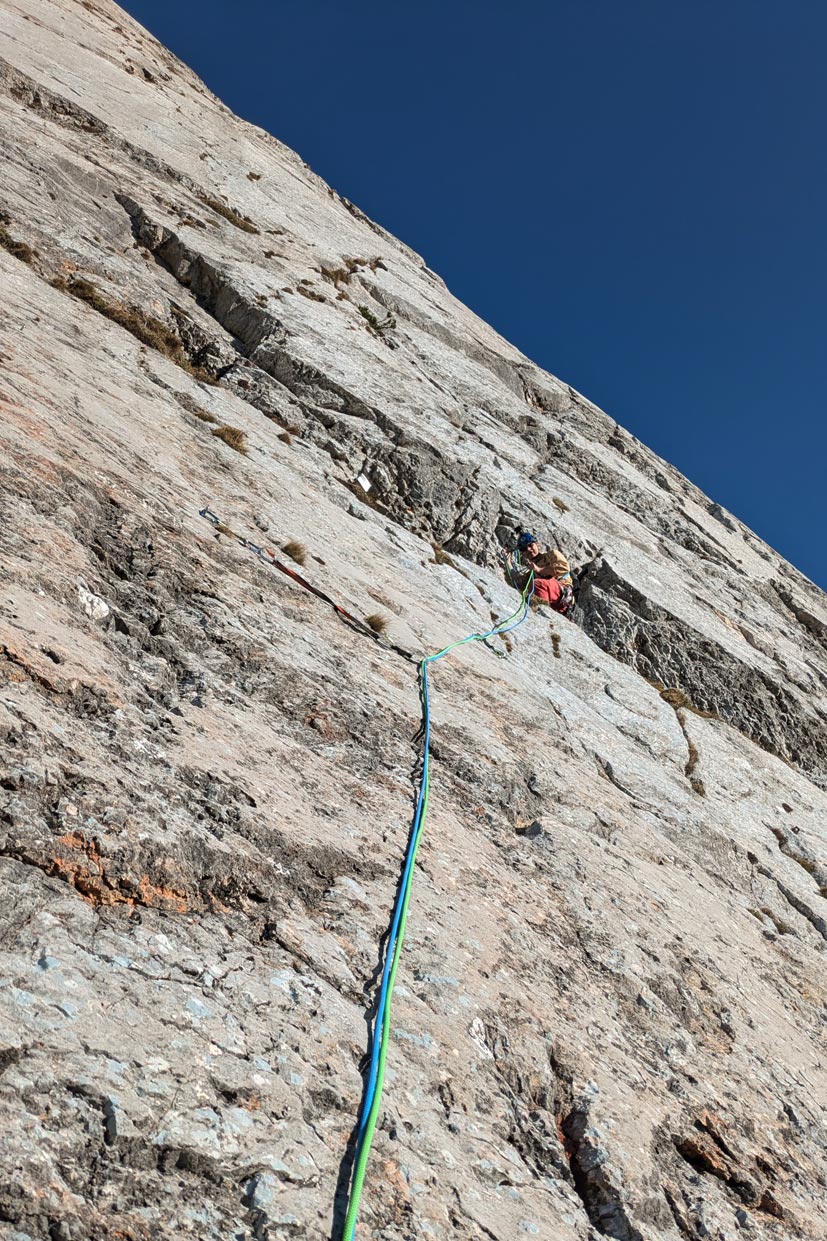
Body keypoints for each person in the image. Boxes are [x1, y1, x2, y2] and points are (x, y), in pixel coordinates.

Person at [532, 550, 576, 617]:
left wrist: (540, 570)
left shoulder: (552, 554)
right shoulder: (530, 572)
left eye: (530, 545)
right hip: (553, 600)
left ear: (537, 546)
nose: (529, 549)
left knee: (537, 583)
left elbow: (564, 569)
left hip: (562, 591)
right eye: (523, 549)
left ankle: (542, 611)